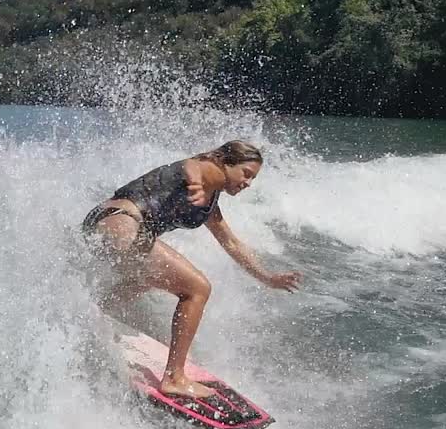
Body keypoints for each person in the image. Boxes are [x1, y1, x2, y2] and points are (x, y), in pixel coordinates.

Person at [81, 140, 301, 398]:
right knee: (198, 288)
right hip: (119, 223)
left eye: (252, 178)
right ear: (224, 161)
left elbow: (231, 242)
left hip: (106, 228)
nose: (248, 183)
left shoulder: (209, 203)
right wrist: (196, 184)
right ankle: (174, 377)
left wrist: (267, 277)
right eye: (246, 174)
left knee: (150, 278)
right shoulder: (198, 169)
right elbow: (191, 166)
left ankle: (93, 312)